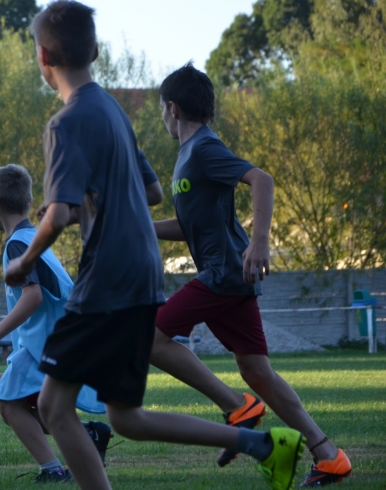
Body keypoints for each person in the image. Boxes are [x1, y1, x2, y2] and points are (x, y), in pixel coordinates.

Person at [5, 2, 306, 489]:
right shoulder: (112, 110)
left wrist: (24, 261)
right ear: (97, 51)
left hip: (106, 277)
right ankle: (262, 445)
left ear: (42, 56)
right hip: (142, 273)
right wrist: (89, 205)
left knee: (52, 406)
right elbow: (151, 193)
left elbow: (58, 216)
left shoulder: (65, 123)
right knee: (125, 417)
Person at [150, 62, 352, 487]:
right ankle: (329, 455)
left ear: (172, 108)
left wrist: (260, 242)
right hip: (229, 276)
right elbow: (189, 227)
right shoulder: (190, 156)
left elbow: (262, 179)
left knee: (152, 338)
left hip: (225, 272)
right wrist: (133, 228)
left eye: (161, 110)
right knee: (258, 371)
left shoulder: (203, 147)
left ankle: (238, 407)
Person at [0, 164, 113, 483]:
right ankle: (89, 435)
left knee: (10, 406)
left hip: (47, 342)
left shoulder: (17, 245)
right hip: (54, 338)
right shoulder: (32, 235)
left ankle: (54, 470)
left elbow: (32, 296)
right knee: (39, 409)